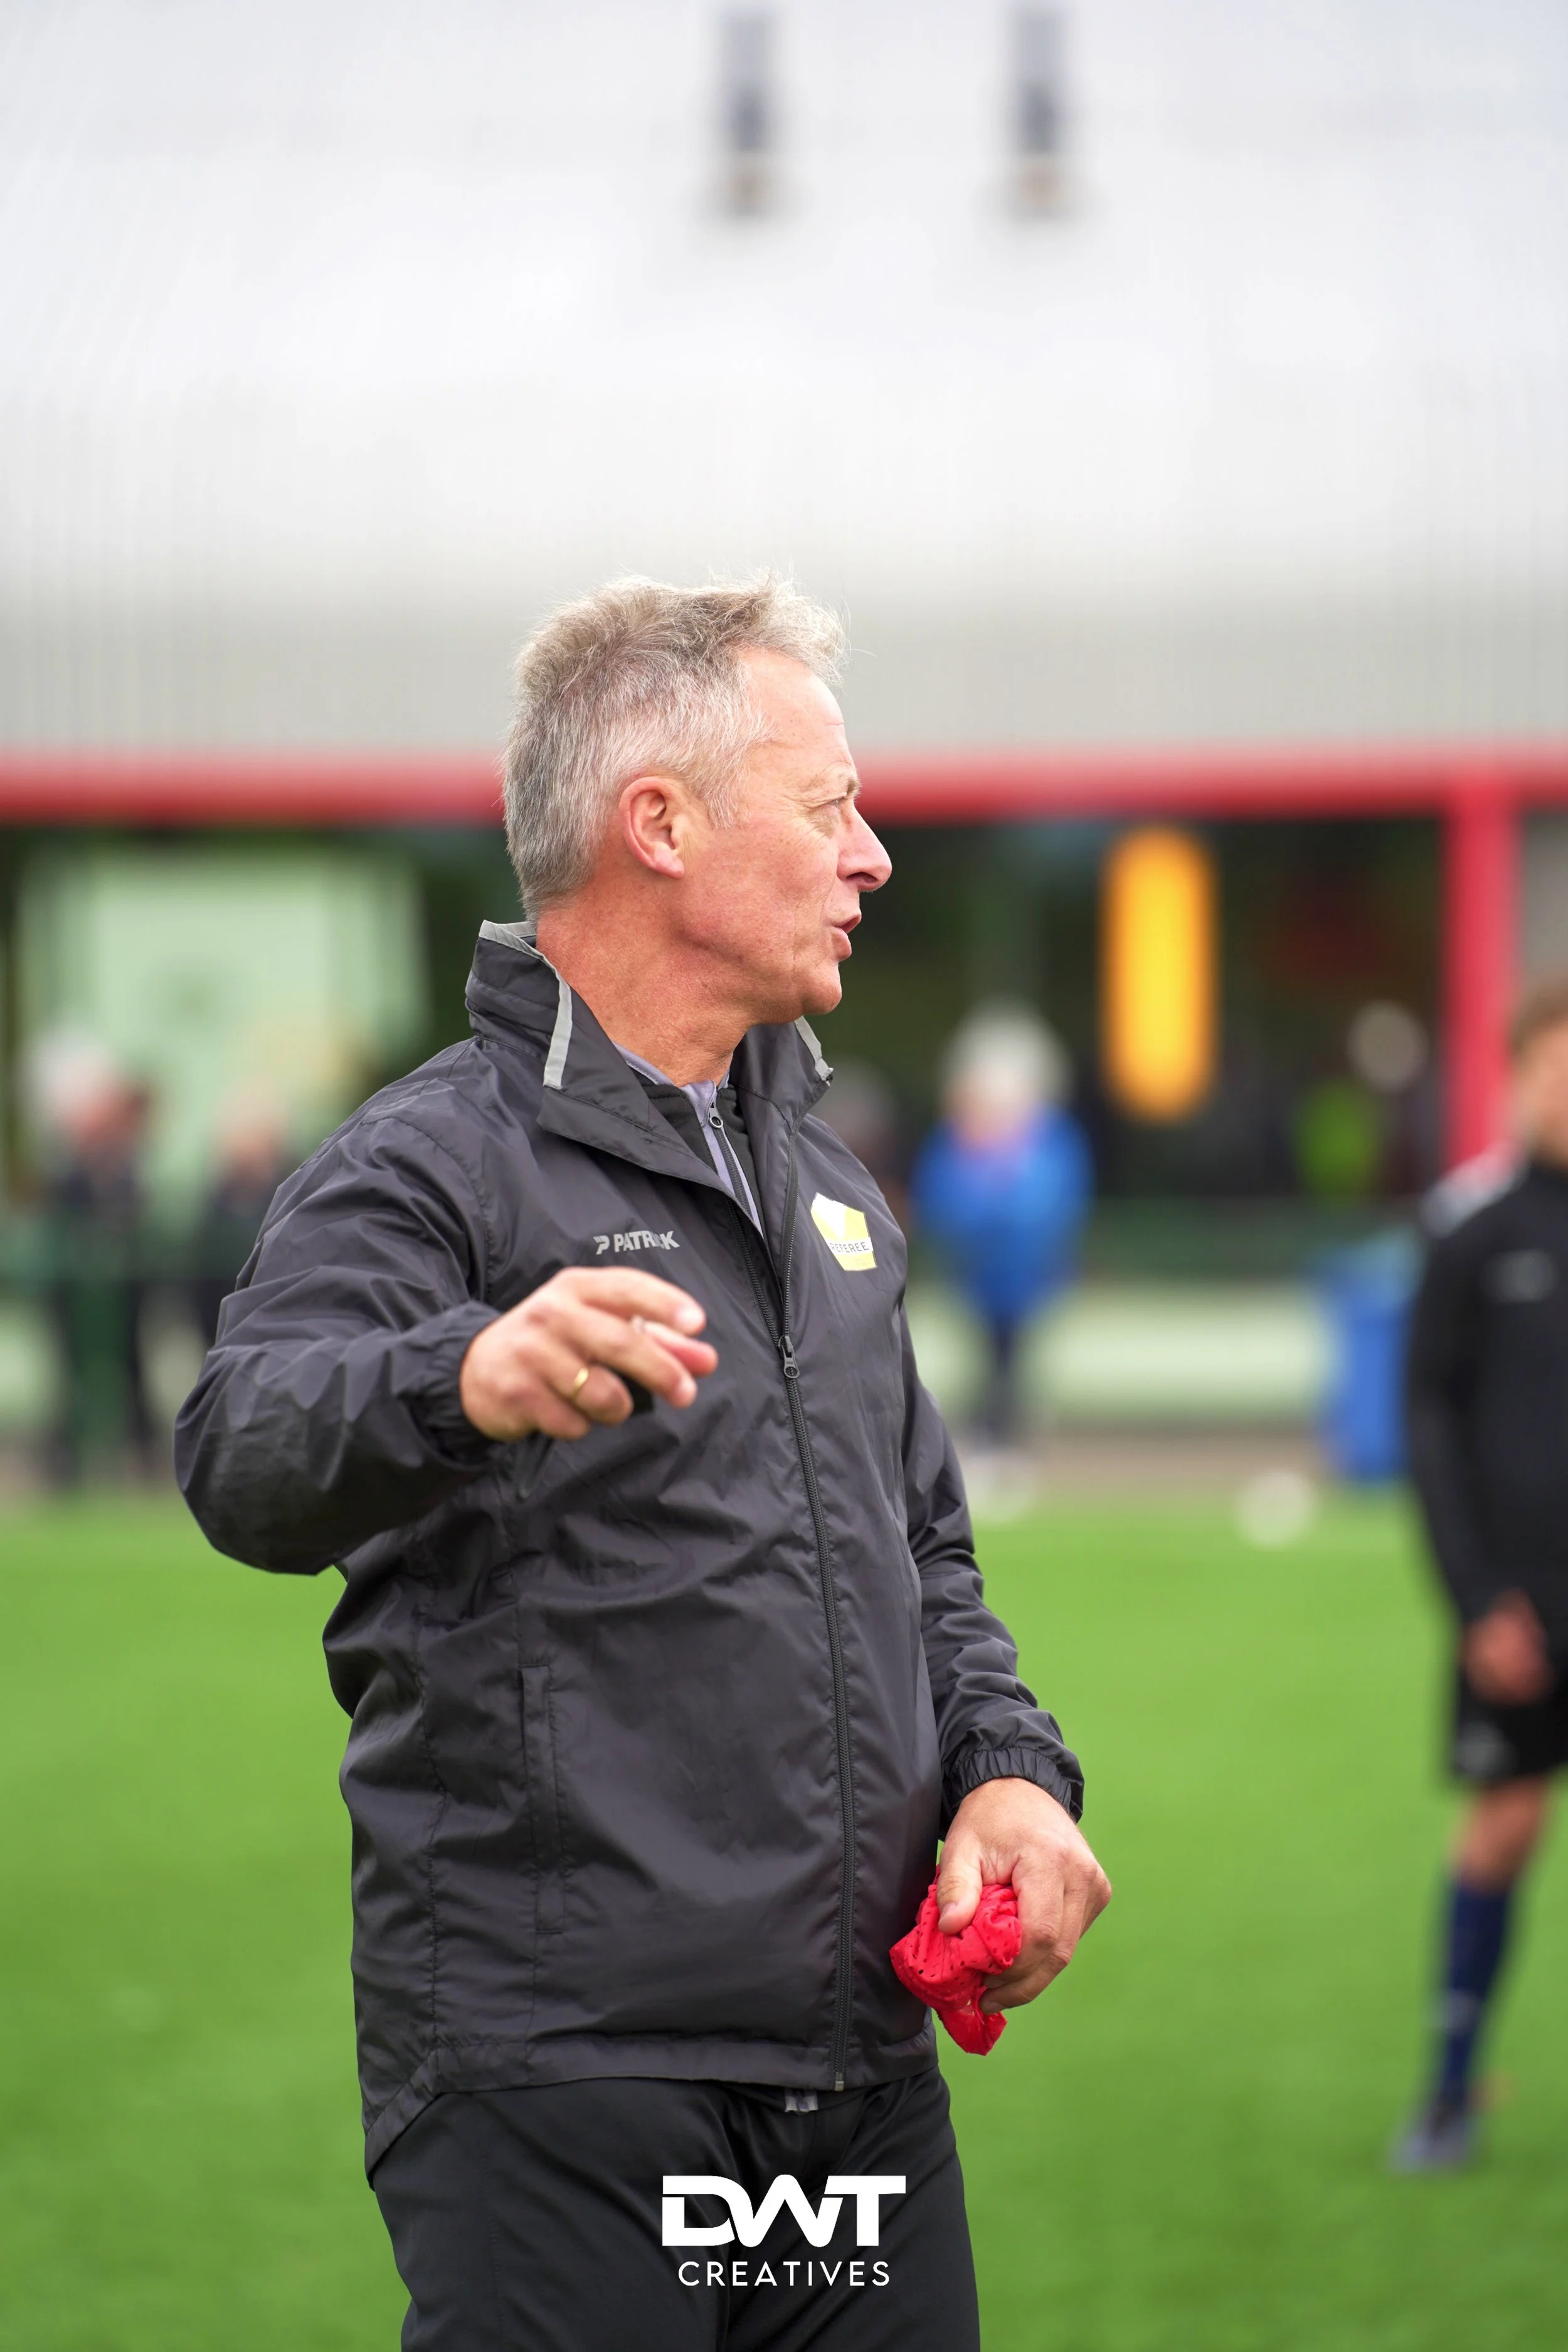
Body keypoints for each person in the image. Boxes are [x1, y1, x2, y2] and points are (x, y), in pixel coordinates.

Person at [176, 578, 1111, 2351]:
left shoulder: (830, 1185)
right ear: (658, 824)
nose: (876, 855)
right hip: (564, 2077)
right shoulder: (427, 1167)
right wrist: (459, 1371)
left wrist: (1007, 1771)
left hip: (856, 2074)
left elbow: (924, 1551)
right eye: (829, 804)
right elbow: (239, 1445)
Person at [1396, 972, 1568, 2170]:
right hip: (1522, 1610)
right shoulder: (1472, 1229)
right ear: (1517, 1076)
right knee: (1504, 1826)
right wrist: (1475, 1603)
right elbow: (1429, 1425)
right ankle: (1449, 2091)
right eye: (1555, 1066)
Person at [912, 1006, 1092, 1443]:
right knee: (989, 1358)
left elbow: (1050, 1209)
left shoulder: (1048, 1139)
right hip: (973, 1279)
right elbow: (940, 1204)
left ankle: (1007, 1429)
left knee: (1011, 1360)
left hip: (1031, 1279)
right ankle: (995, 1429)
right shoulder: (957, 1140)